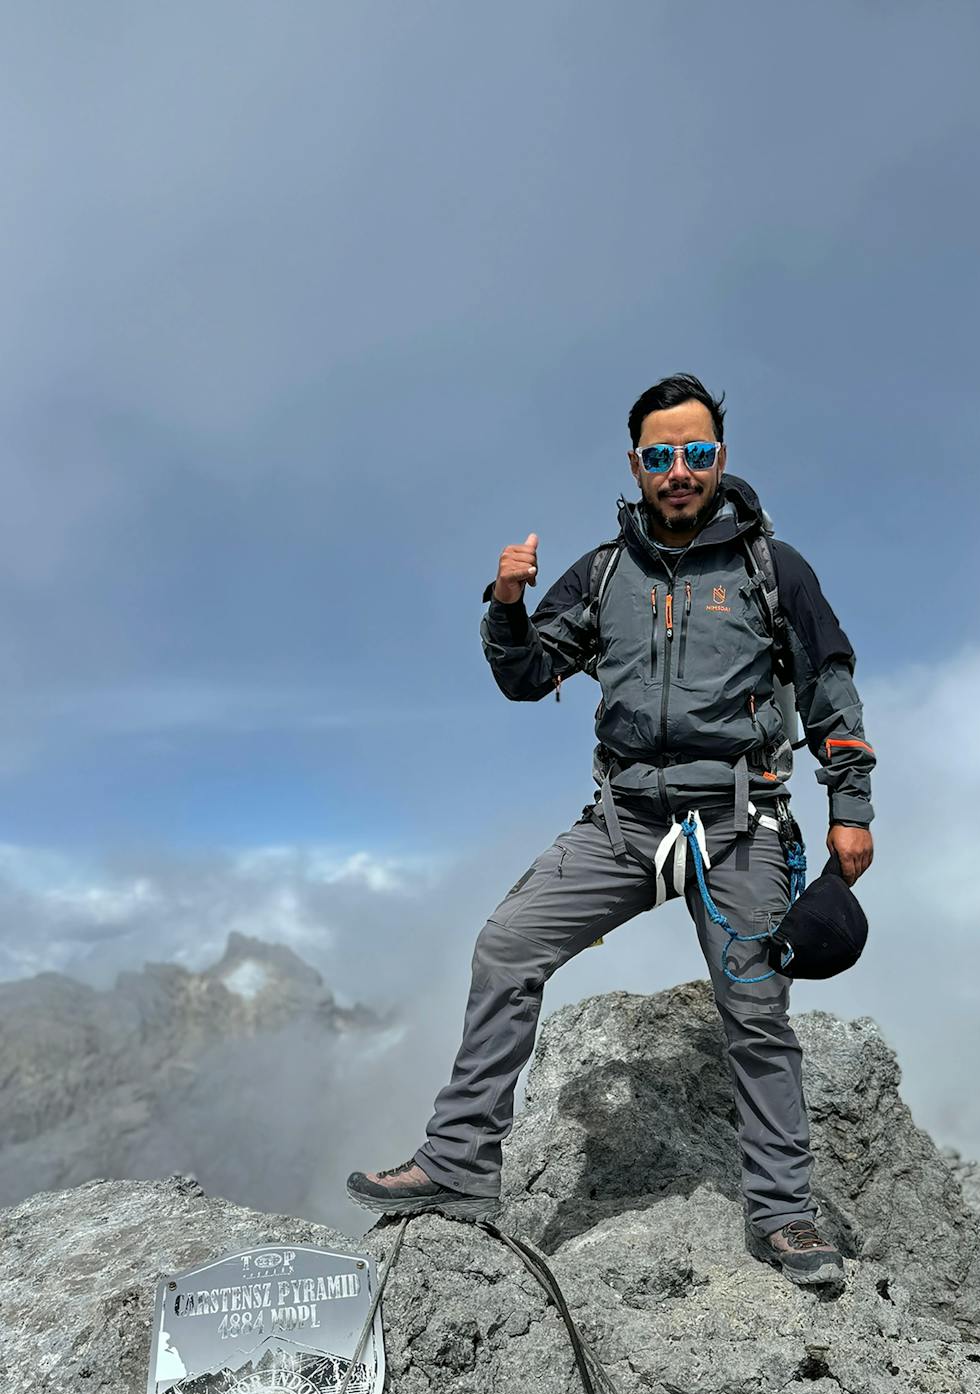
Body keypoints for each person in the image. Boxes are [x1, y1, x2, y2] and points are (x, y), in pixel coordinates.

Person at [347, 373, 875, 1289]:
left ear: (721, 458)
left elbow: (831, 691)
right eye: (662, 455)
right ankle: (461, 1164)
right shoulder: (603, 573)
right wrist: (506, 608)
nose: (680, 470)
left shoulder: (771, 568)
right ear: (635, 463)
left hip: (737, 827)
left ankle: (784, 1215)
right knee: (508, 947)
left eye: (698, 453)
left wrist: (851, 811)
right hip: (624, 824)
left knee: (755, 1016)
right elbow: (526, 675)